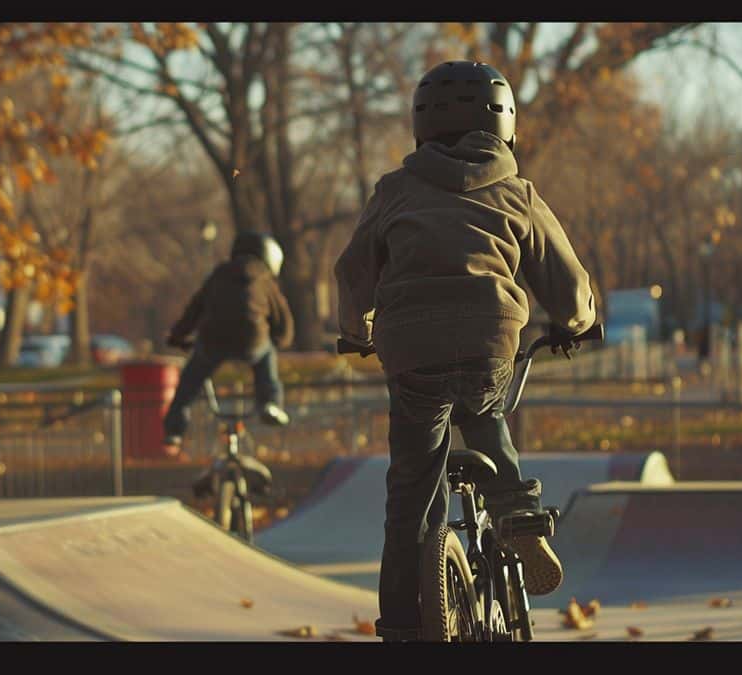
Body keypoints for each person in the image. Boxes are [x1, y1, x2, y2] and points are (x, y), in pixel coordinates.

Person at [334, 61, 596, 642]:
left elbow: (352, 272)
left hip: (410, 348)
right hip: (489, 335)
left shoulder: (395, 190)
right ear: (505, 126)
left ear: (420, 129)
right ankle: (517, 512)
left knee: (411, 490)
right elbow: (570, 284)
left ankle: (403, 625)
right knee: (485, 414)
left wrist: (357, 330)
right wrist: (576, 323)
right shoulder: (516, 192)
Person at [163, 231, 295, 451]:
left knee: (189, 381)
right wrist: (280, 341)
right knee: (267, 355)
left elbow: (194, 309)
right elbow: (284, 321)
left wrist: (178, 337)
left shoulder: (219, 274)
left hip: (214, 341)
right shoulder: (265, 279)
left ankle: (174, 429)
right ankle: (270, 403)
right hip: (252, 341)